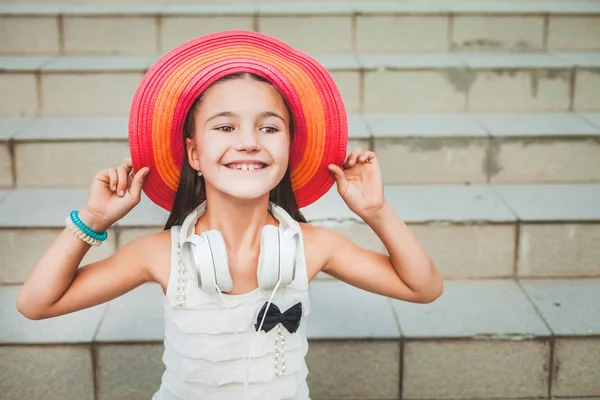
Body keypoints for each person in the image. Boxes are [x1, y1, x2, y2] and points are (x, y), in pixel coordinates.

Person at [16, 30, 443, 400]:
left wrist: (377, 211)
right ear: (194, 153)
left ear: (288, 148)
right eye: (225, 127)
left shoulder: (313, 247)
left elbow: (424, 288)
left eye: (269, 127)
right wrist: (92, 219)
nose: (249, 143)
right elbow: (36, 304)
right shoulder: (160, 254)